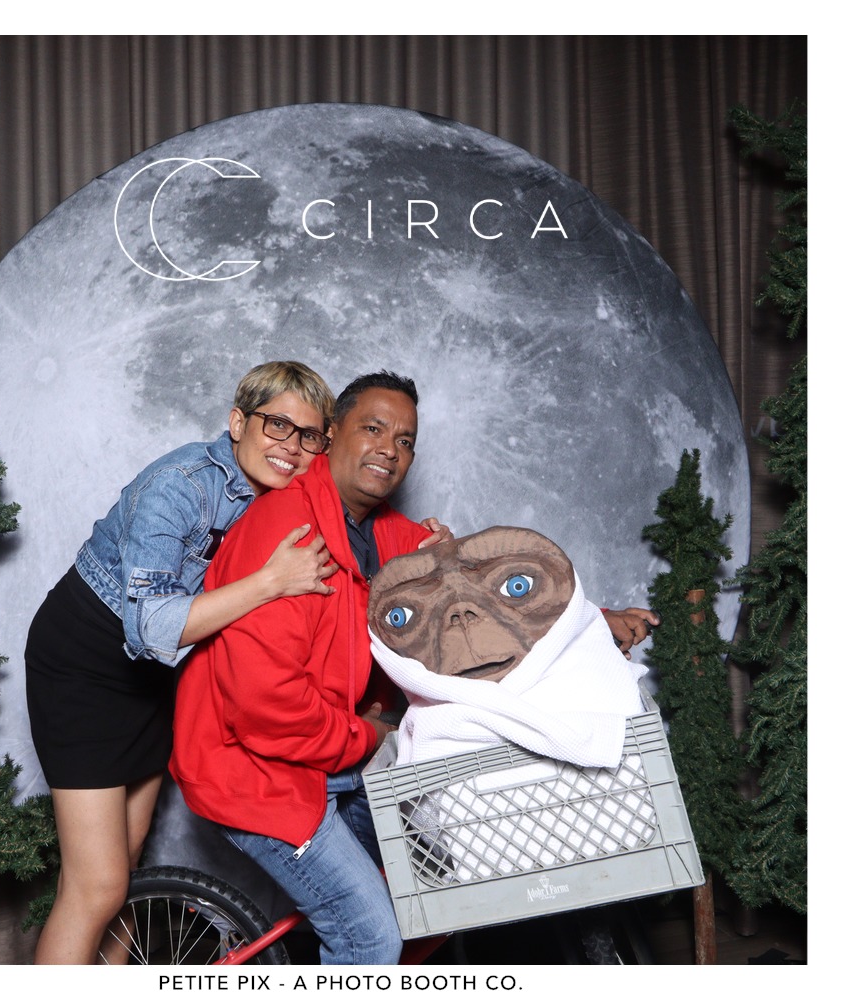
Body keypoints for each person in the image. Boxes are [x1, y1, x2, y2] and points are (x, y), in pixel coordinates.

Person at [170, 370, 658, 964]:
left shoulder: (387, 535)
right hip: (253, 769)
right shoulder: (286, 529)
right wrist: (367, 736)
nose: (389, 450)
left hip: (323, 755)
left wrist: (598, 621)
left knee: (443, 871)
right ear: (331, 433)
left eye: (404, 440)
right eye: (373, 429)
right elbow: (262, 705)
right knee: (372, 936)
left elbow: (493, 590)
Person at [25, 361, 341, 964]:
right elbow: (152, 628)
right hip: (86, 667)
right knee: (97, 886)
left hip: (153, 680)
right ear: (238, 423)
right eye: (277, 425)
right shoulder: (180, 486)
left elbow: (359, 487)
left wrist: (423, 544)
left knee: (125, 868)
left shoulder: (287, 489)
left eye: (309, 436)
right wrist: (271, 582)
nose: (292, 447)